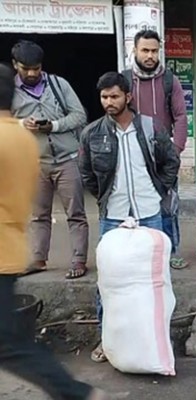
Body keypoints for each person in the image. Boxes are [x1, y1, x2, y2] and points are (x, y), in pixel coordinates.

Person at [0, 63, 108, 400]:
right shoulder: (21, 137)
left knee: (10, 346)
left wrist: (54, 124)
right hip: (10, 251)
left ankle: (76, 392)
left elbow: (77, 115)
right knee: (10, 344)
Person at [79, 71, 180, 363]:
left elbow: (170, 162)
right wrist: (103, 197)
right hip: (113, 217)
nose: (109, 102)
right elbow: (86, 173)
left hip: (150, 214)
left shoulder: (150, 128)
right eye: (104, 97)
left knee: (156, 282)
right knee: (109, 284)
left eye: (114, 96)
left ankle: (159, 339)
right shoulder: (92, 133)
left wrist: (159, 190)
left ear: (128, 97)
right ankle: (106, 340)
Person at [10, 40, 90, 279]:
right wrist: (21, 124)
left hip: (67, 159)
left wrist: (53, 125)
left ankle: (78, 260)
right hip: (33, 162)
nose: (33, 73)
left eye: (37, 67)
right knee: (38, 215)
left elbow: (79, 115)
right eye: (26, 68)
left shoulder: (58, 84)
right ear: (16, 65)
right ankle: (38, 259)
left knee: (76, 213)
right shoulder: (8, 91)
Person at [122, 29, 189, 270]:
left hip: (163, 157)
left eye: (154, 50)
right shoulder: (125, 79)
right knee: (133, 205)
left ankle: (171, 252)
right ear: (135, 51)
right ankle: (141, 254)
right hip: (132, 155)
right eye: (145, 50)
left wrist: (176, 149)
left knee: (167, 206)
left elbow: (181, 116)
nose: (150, 55)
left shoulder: (170, 80)